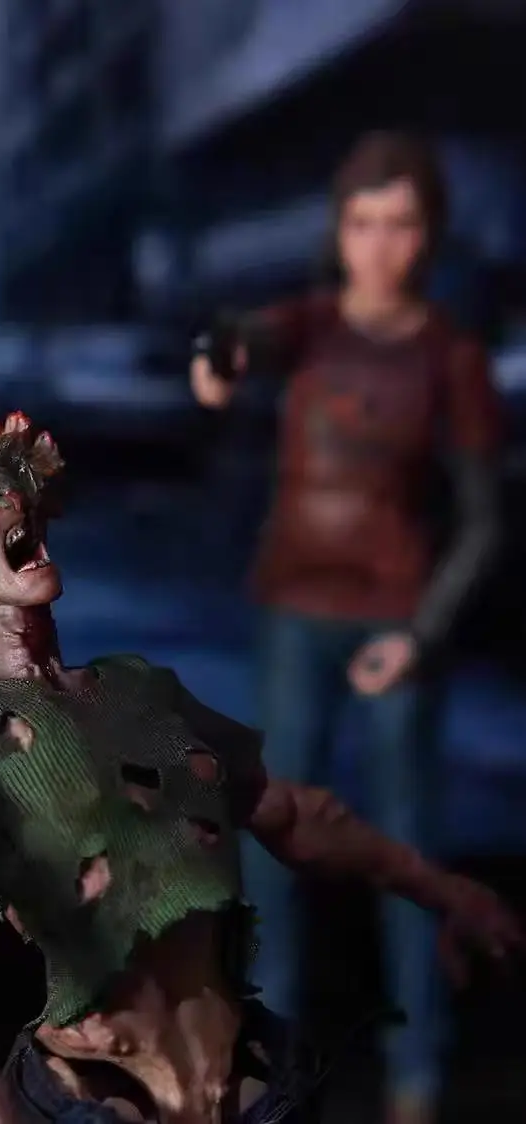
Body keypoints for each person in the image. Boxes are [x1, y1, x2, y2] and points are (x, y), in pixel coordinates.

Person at [0, 410, 520, 1124]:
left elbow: (290, 813)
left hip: (252, 1085)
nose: (22, 524)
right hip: (101, 1087)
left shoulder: (139, 688)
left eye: (26, 513)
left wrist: (444, 891)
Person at [189, 132, 503, 1124]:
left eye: (399, 224)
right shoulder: (312, 323)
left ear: (427, 233)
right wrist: (215, 359)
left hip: (391, 623)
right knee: (275, 846)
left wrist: (423, 633)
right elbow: (239, 334)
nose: (379, 245)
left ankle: (416, 1076)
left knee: (404, 855)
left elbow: (483, 520)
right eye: (362, 223)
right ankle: (270, 1068)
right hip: (294, 610)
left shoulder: (450, 356)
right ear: (339, 230)